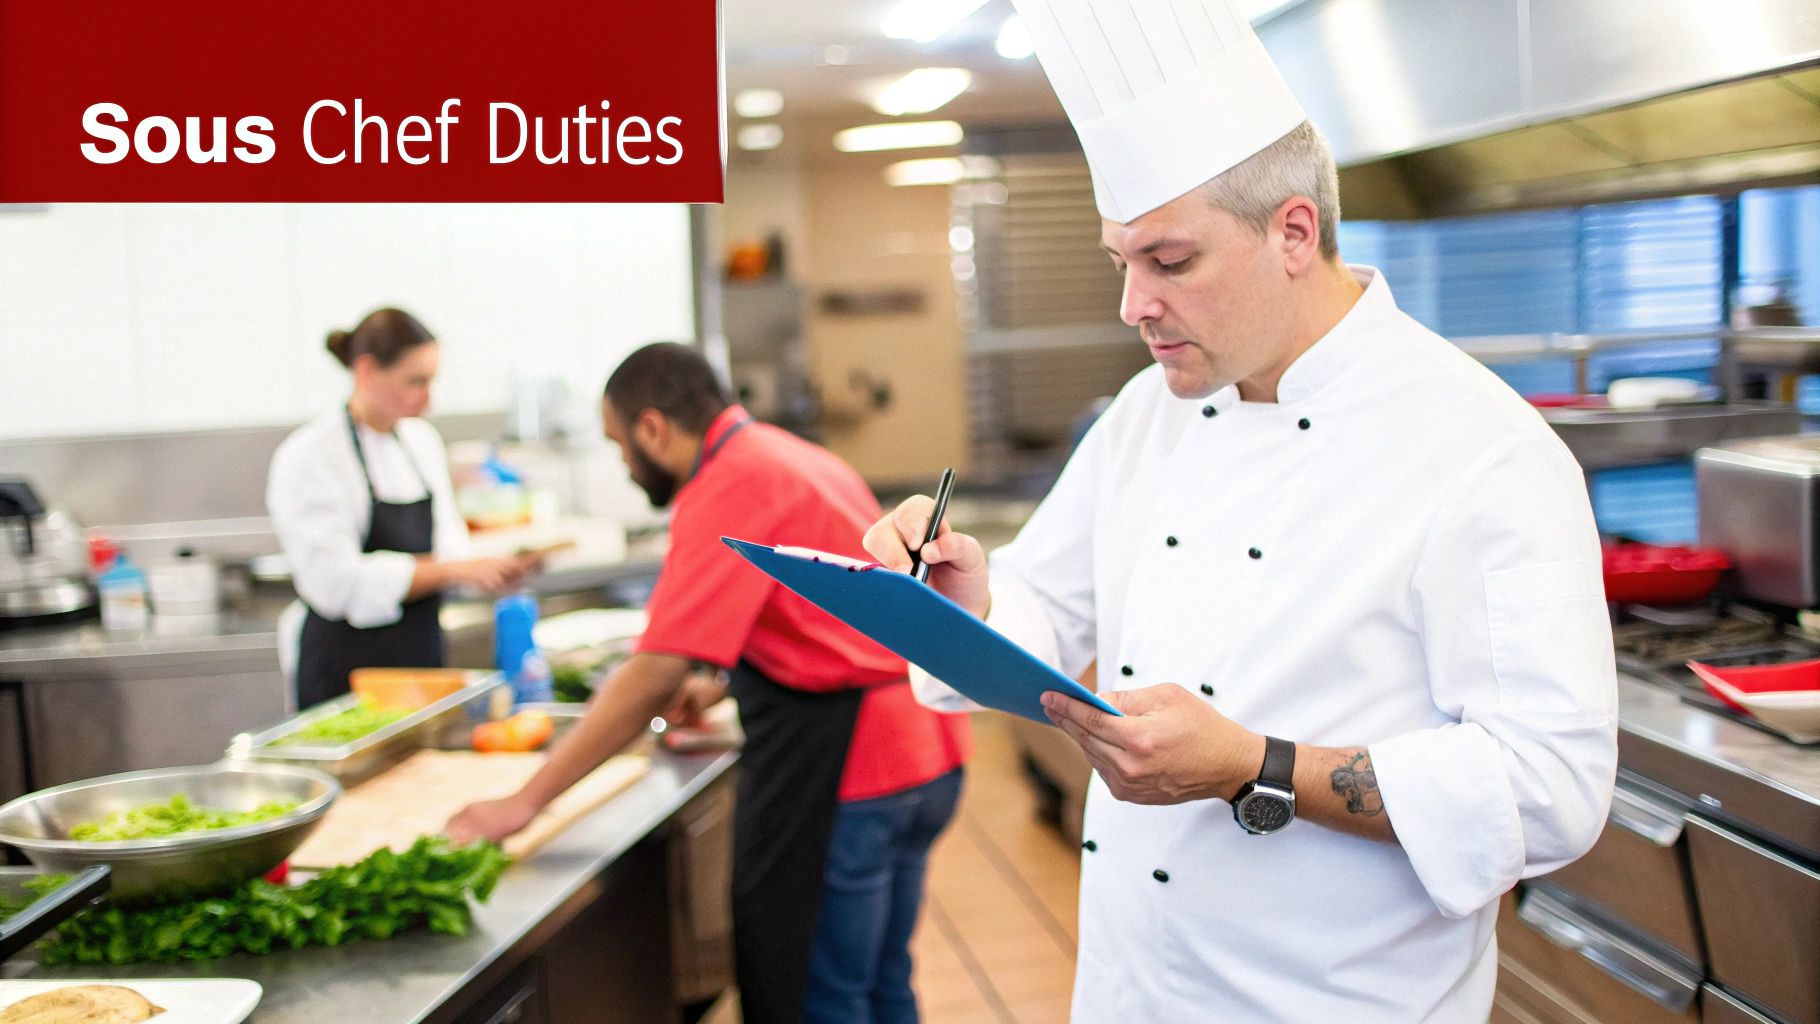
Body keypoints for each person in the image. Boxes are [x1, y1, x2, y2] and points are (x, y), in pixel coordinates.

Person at [862, 1, 1619, 1019]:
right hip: (1130, 990)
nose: (1132, 305)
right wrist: (956, 603)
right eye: (1118, 263)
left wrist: (1251, 766)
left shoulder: (1482, 451)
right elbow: (1040, 614)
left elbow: (1545, 786)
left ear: (1292, 233)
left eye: (1167, 262)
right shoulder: (1146, 416)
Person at [447, 342, 971, 1024]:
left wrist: (526, 801)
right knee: (881, 983)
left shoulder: (727, 481)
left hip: (852, 772)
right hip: (926, 752)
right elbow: (823, 608)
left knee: (825, 999)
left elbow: (654, 669)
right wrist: (721, 684)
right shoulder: (791, 454)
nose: (623, 465)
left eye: (618, 445)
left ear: (653, 429)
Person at [267, 308, 536, 709]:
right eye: (416, 381)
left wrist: (491, 570)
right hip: (344, 676)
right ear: (366, 371)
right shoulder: (311, 455)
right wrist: (453, 570)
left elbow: (450, 551)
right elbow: (335, 584)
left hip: (419, 664)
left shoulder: (421, 442)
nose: (428, 399)